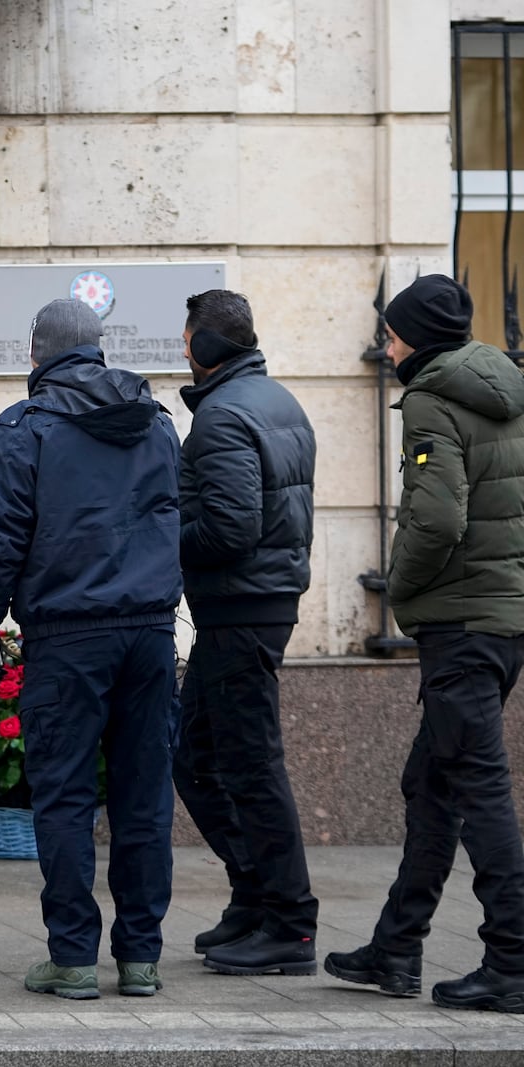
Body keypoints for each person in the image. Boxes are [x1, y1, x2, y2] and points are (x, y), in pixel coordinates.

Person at [0, 298, 181, 1000]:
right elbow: (185, 516)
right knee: (145, 798)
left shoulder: (24, 430)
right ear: (99, 348)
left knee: (63, 798)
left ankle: (74, 958)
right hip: (149, 632)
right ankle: (141, 958)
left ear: (35, 353)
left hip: (67, 637)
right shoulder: (158, 423)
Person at [324, 275, 524, 1012]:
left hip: (462, 627)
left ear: (422, 338)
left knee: (480, 791)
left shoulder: (436, 398)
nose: (388, 344)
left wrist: (404, 590)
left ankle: (513, 959)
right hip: (501, 621)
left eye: (395, 332)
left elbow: (436, 519)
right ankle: (396, 946)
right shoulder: (504, 389)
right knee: (431, 784)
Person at [171, 289, 319, 976]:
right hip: (254, 602)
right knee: (196, 749)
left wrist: (162, 540)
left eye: (187, 337)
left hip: (242, 604)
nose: (182, 349)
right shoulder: (275, 400)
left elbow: (230, 529)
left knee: (249, 763)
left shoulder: (225, 416)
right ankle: (254, 894)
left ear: (206, 346)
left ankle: (288, 923)